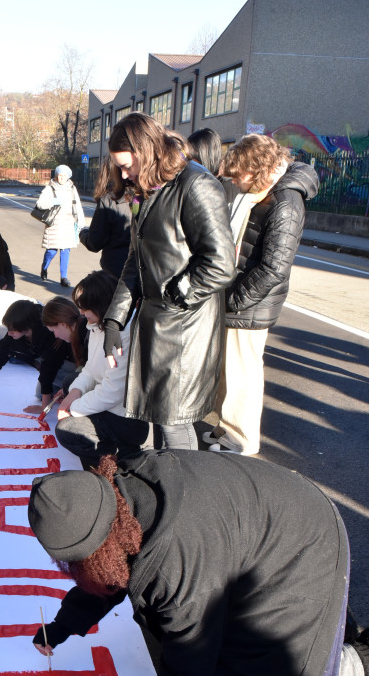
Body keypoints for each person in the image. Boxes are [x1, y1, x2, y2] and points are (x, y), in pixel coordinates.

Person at [28, 451, 365, 676]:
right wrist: (63, 626)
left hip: (303, 541)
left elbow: (193, 642)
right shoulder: (122, 497)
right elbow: (106, 572)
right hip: (268, 521)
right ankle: (330, 622)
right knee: (222, 637)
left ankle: (347, 660)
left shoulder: (176, 563)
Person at [102, 113, 236, 451]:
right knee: (161, 418)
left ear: (146, 152)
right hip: (159, 323)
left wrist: (176, 295)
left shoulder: (196, 185)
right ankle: (174, 488)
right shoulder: (147, 189)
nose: (123, 173)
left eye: (126, 165)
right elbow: (136, 261)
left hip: (185, 325)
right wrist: (114, 320)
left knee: (173, 422)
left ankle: (185, 495)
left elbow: (220, 263)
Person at [204, 134, 319, 456]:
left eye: (240, 175)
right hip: (239, 298)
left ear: (258, 169)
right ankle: (226, 428)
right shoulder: (264, 194)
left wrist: (233, 302)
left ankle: (241, 439)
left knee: (243, 374)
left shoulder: (285, 203)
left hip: (249, 304)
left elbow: (273, 268)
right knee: (228, 370)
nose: (236, 183)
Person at [50, 272, 150, 467]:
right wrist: (76, 392)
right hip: (109, 401)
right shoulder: (97, 325)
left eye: (85, 308)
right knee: (71, 383)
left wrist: (74, 408)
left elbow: (112, 392)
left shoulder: (124, 335)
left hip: (125, 418)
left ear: (101, 305)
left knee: (67, 430)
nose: (81, 314)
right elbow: (89, 370)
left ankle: (123, 457)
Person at [0, 299, 74, 413]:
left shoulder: (47, 333)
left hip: (70, 362)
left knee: (51, 386)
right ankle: (64, 388)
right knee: (40, 394)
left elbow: (48, 370)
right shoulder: (13, 334)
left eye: (12, 330)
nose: (9, 333)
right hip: (49, 363)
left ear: (26, 326)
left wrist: (44, 408)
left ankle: (73, 387)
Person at [79, 156, 133, 279]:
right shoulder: (142, 195)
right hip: (141, 270)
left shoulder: (109, 200)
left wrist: (82, 232)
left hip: (115, 270)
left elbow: (95, 243)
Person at [35, 164, 85, 287]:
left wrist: (80, 221)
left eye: (64, 176)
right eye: (59, 175)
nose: (61, 178)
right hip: (54, 224)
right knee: (51, 251)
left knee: (65, 250)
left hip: (68, 222)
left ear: (68, 176)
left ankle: (64, 277)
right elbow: (40, 204)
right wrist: (53, 202)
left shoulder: (72, 189)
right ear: (56, 176)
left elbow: (77, 205)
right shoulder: (49, 188)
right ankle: (44, 267)